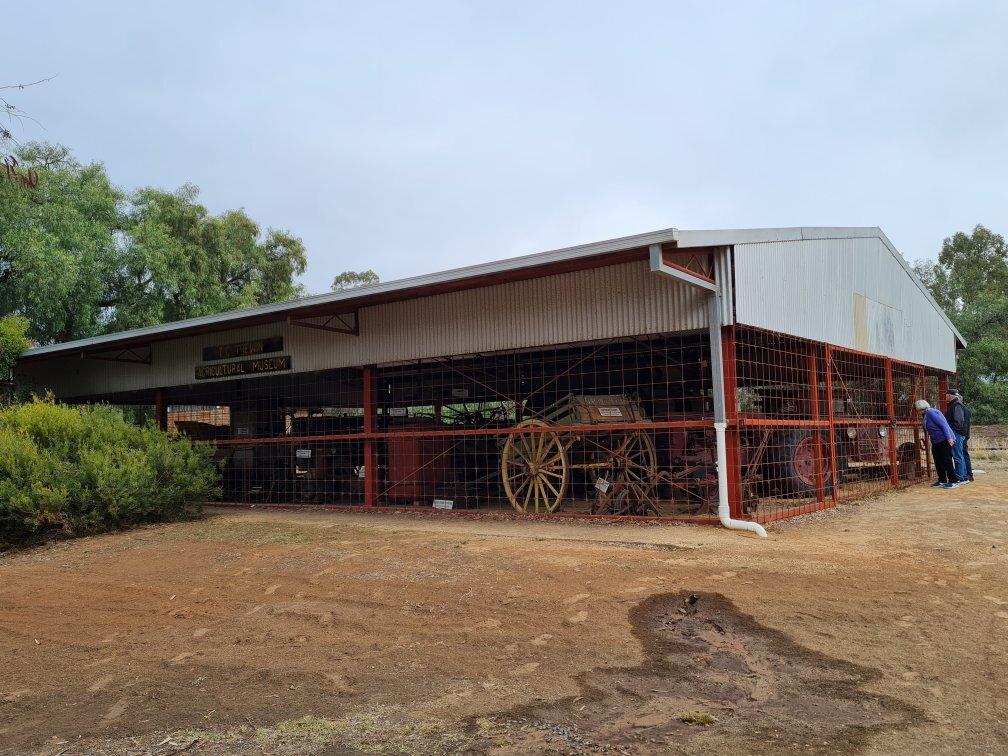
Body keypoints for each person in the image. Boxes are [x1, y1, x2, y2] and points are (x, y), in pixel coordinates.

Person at [915, 399, 958, 488]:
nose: (916, 411)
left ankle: (953, 481)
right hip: (936, 441)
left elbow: (943, 425)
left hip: (944, 439)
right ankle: (942, 480)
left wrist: (949, 438)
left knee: (947, 460)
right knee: (938, 460)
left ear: (920, 408)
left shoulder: (931, 413)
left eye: (916, 409)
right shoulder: (925, 415)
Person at [945, 389, 973, 483]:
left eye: (946, 395)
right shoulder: (957, 405)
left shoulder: (956, 405)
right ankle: (964, 476)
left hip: (957, 433)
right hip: (960, 433)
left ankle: (959, 477)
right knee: (960, 455)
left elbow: (959, 422)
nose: (945, 397)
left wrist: (952, 432)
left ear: (951, 395)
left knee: (957, 456)